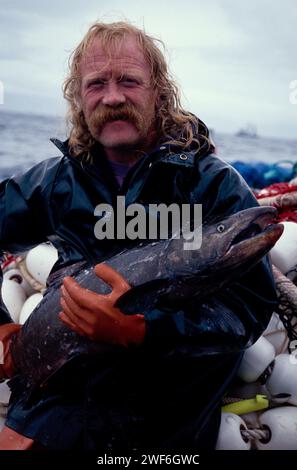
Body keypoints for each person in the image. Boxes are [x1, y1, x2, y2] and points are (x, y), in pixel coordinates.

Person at [0, 21, 277, 450]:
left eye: (128, 80)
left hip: (174, 382)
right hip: (71, 374)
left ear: (159, 92)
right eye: (97, 84)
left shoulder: (213, 185)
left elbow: (250, 306)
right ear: (79, 96)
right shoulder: (57, 182)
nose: (113, 97)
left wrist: (142, 332)